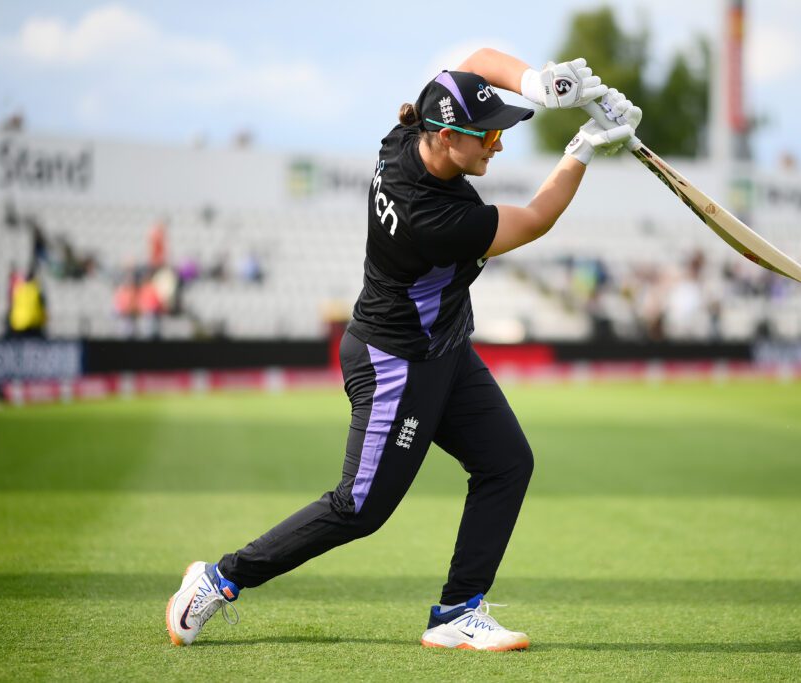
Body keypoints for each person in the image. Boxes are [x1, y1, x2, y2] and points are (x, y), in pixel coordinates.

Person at [165, 48, 640, 651]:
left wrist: (541, 86)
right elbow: (538, 217)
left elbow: (473, 62)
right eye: (487, 133)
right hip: (397, 362)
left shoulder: (407, 133)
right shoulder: (435, 218)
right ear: (444, 138)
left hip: (443, 349)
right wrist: (582, 149)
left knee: (506, 463)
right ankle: (219, 579)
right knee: (358, 508)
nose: (497, 143)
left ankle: (457, 613)